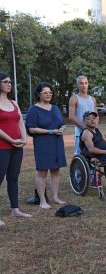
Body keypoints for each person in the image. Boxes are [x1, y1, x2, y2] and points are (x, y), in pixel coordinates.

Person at [26, 82, 67, 209]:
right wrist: (51, 131)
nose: (48, 94)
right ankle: (42, 200)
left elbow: (62, 123)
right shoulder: (33, 109)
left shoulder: (55, 108)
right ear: (39, 94)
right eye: (45, 92)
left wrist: (62, 129)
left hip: (57, 142)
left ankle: (55, 197)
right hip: (43, 144)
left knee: (56, 170)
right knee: (42, 172)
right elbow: (32, 129)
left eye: (50, 92)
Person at [0, 72, 31, 227]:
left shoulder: (14, 103)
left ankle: (15, 209)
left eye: (10, 82)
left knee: (13, 178)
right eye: (5, 81)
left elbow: (20, 122)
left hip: (17, 147)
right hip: (2, 147)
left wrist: (24, 139)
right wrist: (11, 140)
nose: (9, 84)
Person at [69, 75, 98, 155]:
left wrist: (95, 127)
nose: (84, 85)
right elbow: (71, 116)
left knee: (93, 154)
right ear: (77, 85)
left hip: (92, 131)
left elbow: (96, 115)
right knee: (79, 155)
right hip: (80, 131)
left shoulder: (93, 99)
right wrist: (84, 128)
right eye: (81, 83)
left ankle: (91, 168)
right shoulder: (74, 98)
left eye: (86, 83)